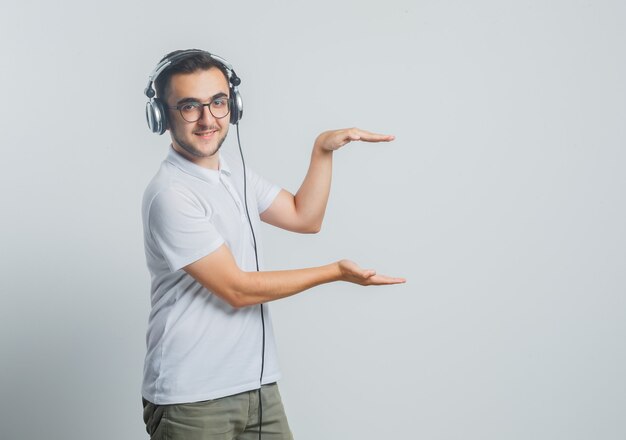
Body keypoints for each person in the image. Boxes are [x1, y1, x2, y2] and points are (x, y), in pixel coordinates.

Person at [140, 49, 405, 440]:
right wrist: (333, 272)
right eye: (189, 106)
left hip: (257, 386)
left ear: (234, 105)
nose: (208, 118)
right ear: (161, 116)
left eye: (218, 102)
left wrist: (322, 150)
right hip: (192, 397)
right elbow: (237, 289)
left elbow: (304, 216)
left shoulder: (234, 173)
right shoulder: (171, 194)